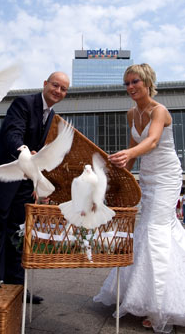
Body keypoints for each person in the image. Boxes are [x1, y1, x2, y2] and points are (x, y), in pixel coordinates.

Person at [93, 63, 185, 333]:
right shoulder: (131, 113)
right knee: (154, 230)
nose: (130, 87)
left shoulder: (160, 111)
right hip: (147, 177)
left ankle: (159, 308)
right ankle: (154, 295)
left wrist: (131, 154)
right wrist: (120, 177)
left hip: (167, 177)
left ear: (147, 83)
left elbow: (153, 141)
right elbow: (133, 150)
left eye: (135, 82)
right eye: (127, 83)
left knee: (155, 231)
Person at [0, 72, 70, 302]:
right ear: (45, 84)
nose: (58, 91)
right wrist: (23, 150)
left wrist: (35, 179)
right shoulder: (24, 103)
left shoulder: (52, 115)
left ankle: (17, 288)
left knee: (18, 234)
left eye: (63, 89)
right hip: (1, 177)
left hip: (23, 184)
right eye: (55, 85)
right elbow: (13, 133)